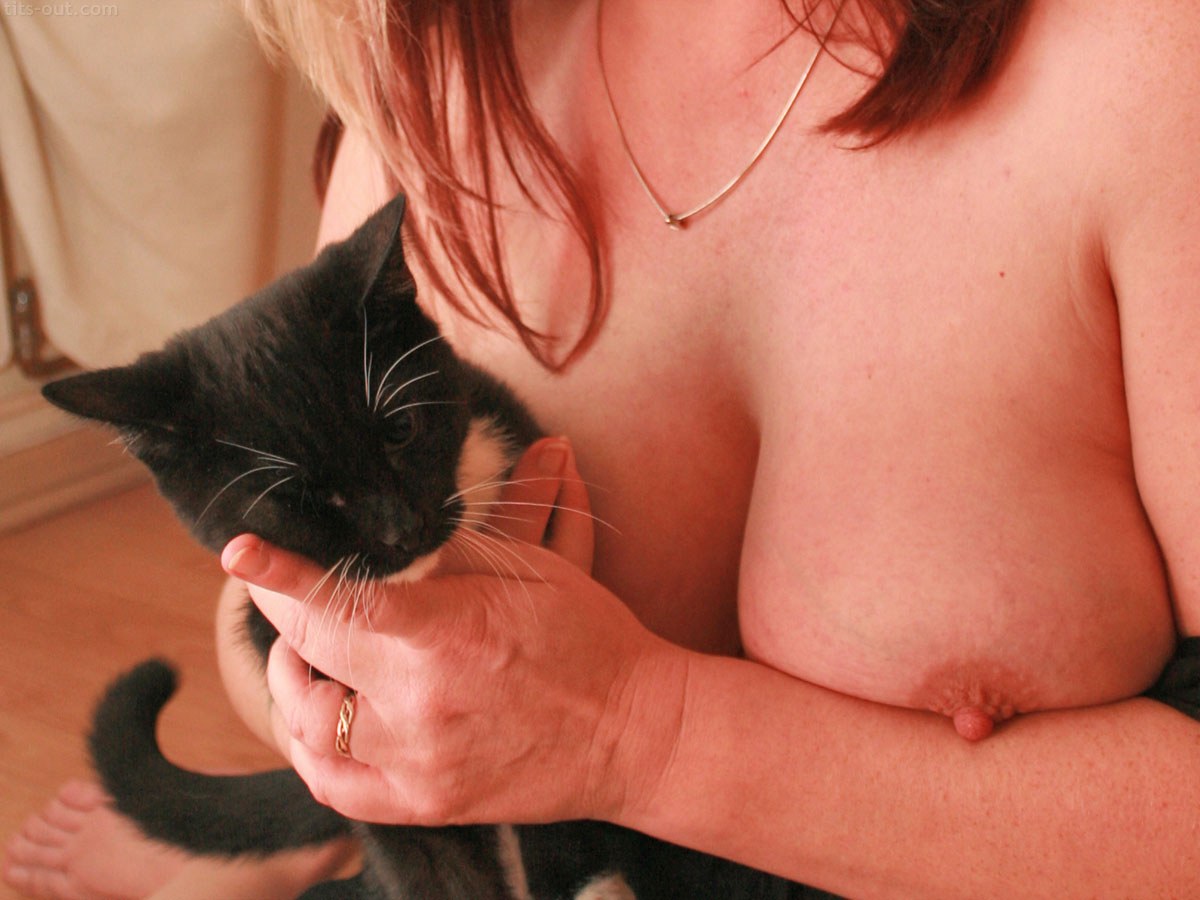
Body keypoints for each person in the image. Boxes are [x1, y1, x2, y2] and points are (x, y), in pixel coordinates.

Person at [8, 0, 1200, 895]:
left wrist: (638, 733)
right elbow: (265, 604)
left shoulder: (1148, 61)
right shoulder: (440, 52)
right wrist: (364, 743)